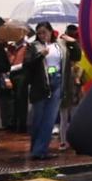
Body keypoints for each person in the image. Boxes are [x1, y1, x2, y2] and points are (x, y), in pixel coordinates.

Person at [26, 22, 66, 160]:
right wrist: (40, 55)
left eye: (44, 32)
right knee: (38, 117)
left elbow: (75, 56)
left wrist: (72, 43)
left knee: (50, 118)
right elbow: (27, 64)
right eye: (39, 33)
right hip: (41, 84)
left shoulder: (59, 45)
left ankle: (41, 149)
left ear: (50, 31)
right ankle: (36, 149)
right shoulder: (34, 46)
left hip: (57, 80)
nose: (42, 35)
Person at [57, 25, 85, 152]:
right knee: (66, 116)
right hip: (66, 85)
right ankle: (64, 141)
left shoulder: (73, 47)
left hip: (74, 85)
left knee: (71, 115)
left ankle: (70, 141)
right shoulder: (61, 46)